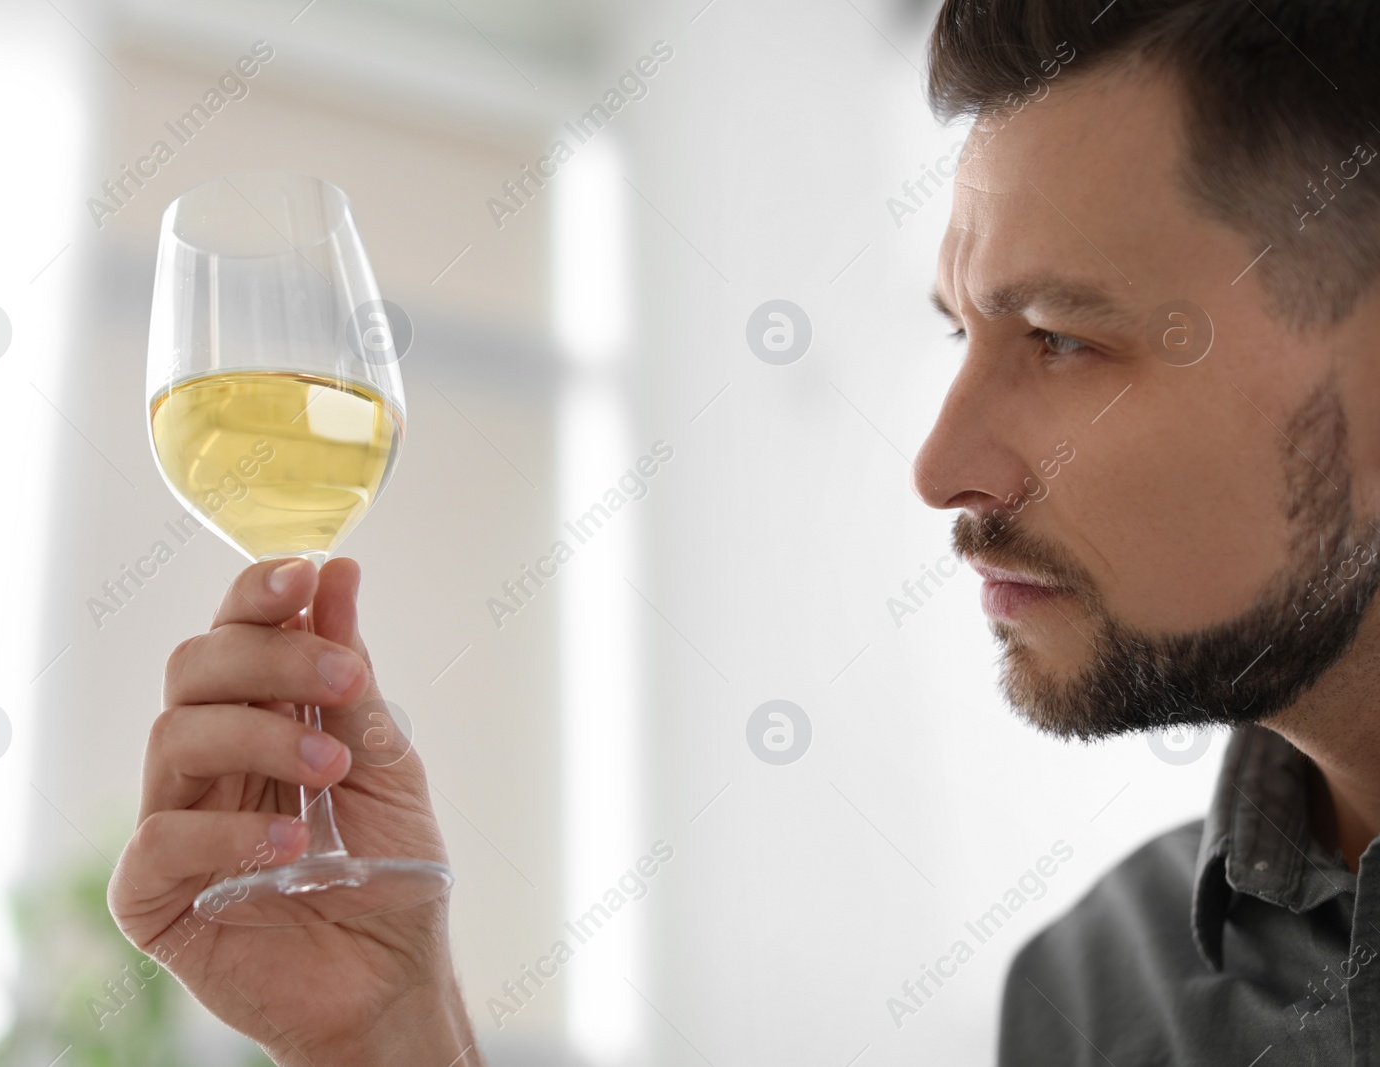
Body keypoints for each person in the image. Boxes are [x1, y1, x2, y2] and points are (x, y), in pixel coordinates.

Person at [110, 0, 1380, 1062]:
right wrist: (390, 1033)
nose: (939, 467)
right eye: (960, 329)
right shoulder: (1107, 992)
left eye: (1058, 336)